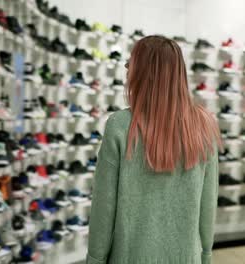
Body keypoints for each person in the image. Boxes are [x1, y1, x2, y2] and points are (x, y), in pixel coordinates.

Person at [86, 36, 221, 264]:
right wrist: (206, 254)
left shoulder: (120, 125)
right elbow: (208, 203)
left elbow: (104, 206)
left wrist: (96, 258)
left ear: (143, 72)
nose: (127, 69)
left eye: (131, 63)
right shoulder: (204, 124)